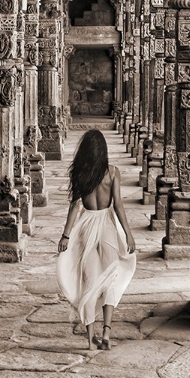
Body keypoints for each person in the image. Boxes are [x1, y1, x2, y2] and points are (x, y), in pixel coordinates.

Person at [57, 129, 137, 350]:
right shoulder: (112, 173)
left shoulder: (81, 174)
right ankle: (107, 334)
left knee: (90, 282)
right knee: (109, 279)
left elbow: (74, 207)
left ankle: (90, 339)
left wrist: (66, 235)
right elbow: (118, 205)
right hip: (108, 227)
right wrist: (128, 234)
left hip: (87, 227)